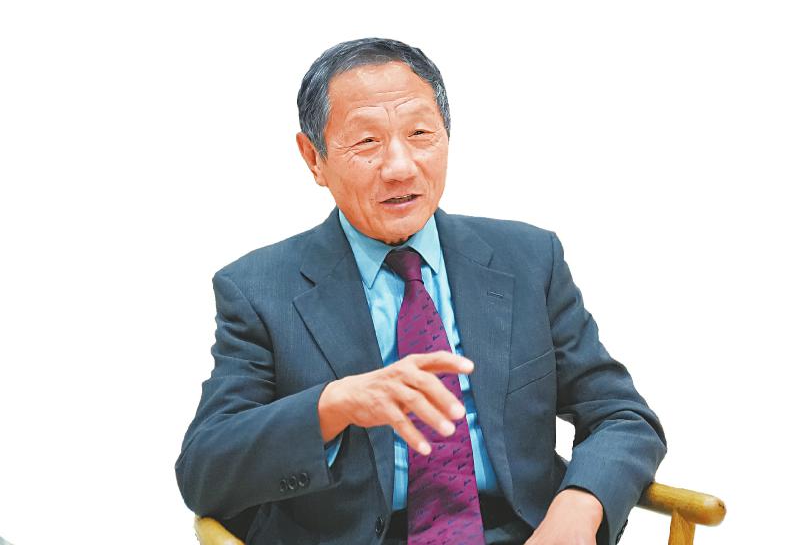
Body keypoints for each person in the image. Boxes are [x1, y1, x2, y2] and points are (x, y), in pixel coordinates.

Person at [175, 37, 667, 545]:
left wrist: (580, 506)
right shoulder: (259, 290)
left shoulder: (528, 260)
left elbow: (622, 416)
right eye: (366, 142)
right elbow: (205, 470)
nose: (400, 167)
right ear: (313, 158)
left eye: (420, 134)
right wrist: (334, 405)